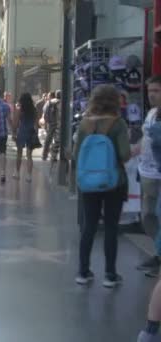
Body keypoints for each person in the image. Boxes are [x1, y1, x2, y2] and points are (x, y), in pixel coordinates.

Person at [73, 85, 130, 288]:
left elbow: (75, 155)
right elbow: (124, 154)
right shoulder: (118, 124)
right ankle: (110, 274)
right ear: (115, 101)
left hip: (88, 183)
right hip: (114, 182)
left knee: (88, 226)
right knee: (111, 227)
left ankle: (83, 271)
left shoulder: (84, 124)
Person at [136, 75, 161, 277]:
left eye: (156, 91)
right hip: (147, 172)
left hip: (158, 174)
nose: (151, 95)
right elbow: (145, 140)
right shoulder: (152, 113)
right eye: (150, 91)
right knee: (148, 216)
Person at [12, 93, 40, 182]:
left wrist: (13, 132)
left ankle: (17, 173)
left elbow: (15, 123)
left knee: (19, 154)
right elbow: (36, 123)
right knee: (29, 155)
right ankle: (29, 175)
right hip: (31, 132)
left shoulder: (19, 110)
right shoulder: (34, 110)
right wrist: (36, 133)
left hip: (22, 132)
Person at [43, 91, 61, 162]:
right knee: (57, 140)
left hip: (51, 123)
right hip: (58, 123)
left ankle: (44, 154)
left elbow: (45, 111)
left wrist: (47, 121)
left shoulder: (49, 102)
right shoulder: (60, 102)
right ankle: (53, 155)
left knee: (48, 139)